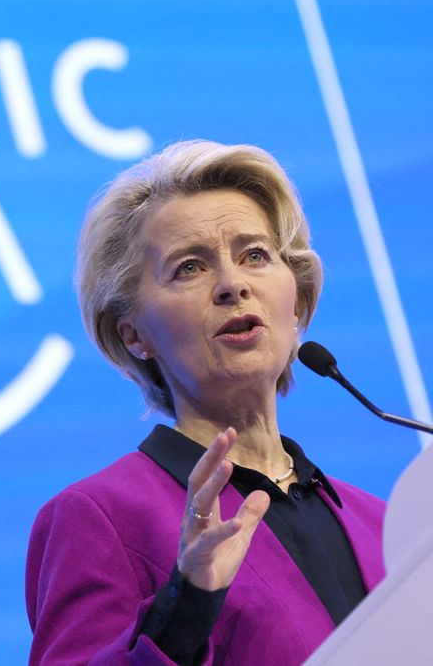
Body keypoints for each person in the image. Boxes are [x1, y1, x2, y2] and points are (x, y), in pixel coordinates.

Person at [25, 141, 386, 665]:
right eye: (189, 267)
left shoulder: (382, 524)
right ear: (134, 334)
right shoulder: (101, 518)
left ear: (296, 302)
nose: (232, 285)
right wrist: (185, 608)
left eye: (255, 255)